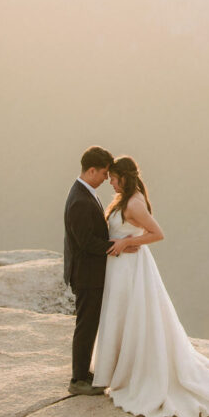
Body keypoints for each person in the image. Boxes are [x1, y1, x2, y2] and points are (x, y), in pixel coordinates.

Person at [91, 155, 209, 417]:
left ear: (124, 176)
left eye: (113, 177)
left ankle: (129, 372)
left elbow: (157, 233)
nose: (109, 181)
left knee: (130, 316)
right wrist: (124, 241)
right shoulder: (126, 199)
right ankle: (117, 369)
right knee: (120, 315)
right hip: (121, 267)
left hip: (130, 268)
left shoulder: (133, 202)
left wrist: (123, 244)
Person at [63, 146, 137, 396]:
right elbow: (86, 242)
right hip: (86, 275)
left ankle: (84, 372)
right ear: (91, 170)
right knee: (86, 325)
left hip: (90, 273)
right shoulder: (80, 201)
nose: (107, 178)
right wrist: (118, 246)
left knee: (90, 323)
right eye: (104, 173)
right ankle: (78, 379)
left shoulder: (85, 193)